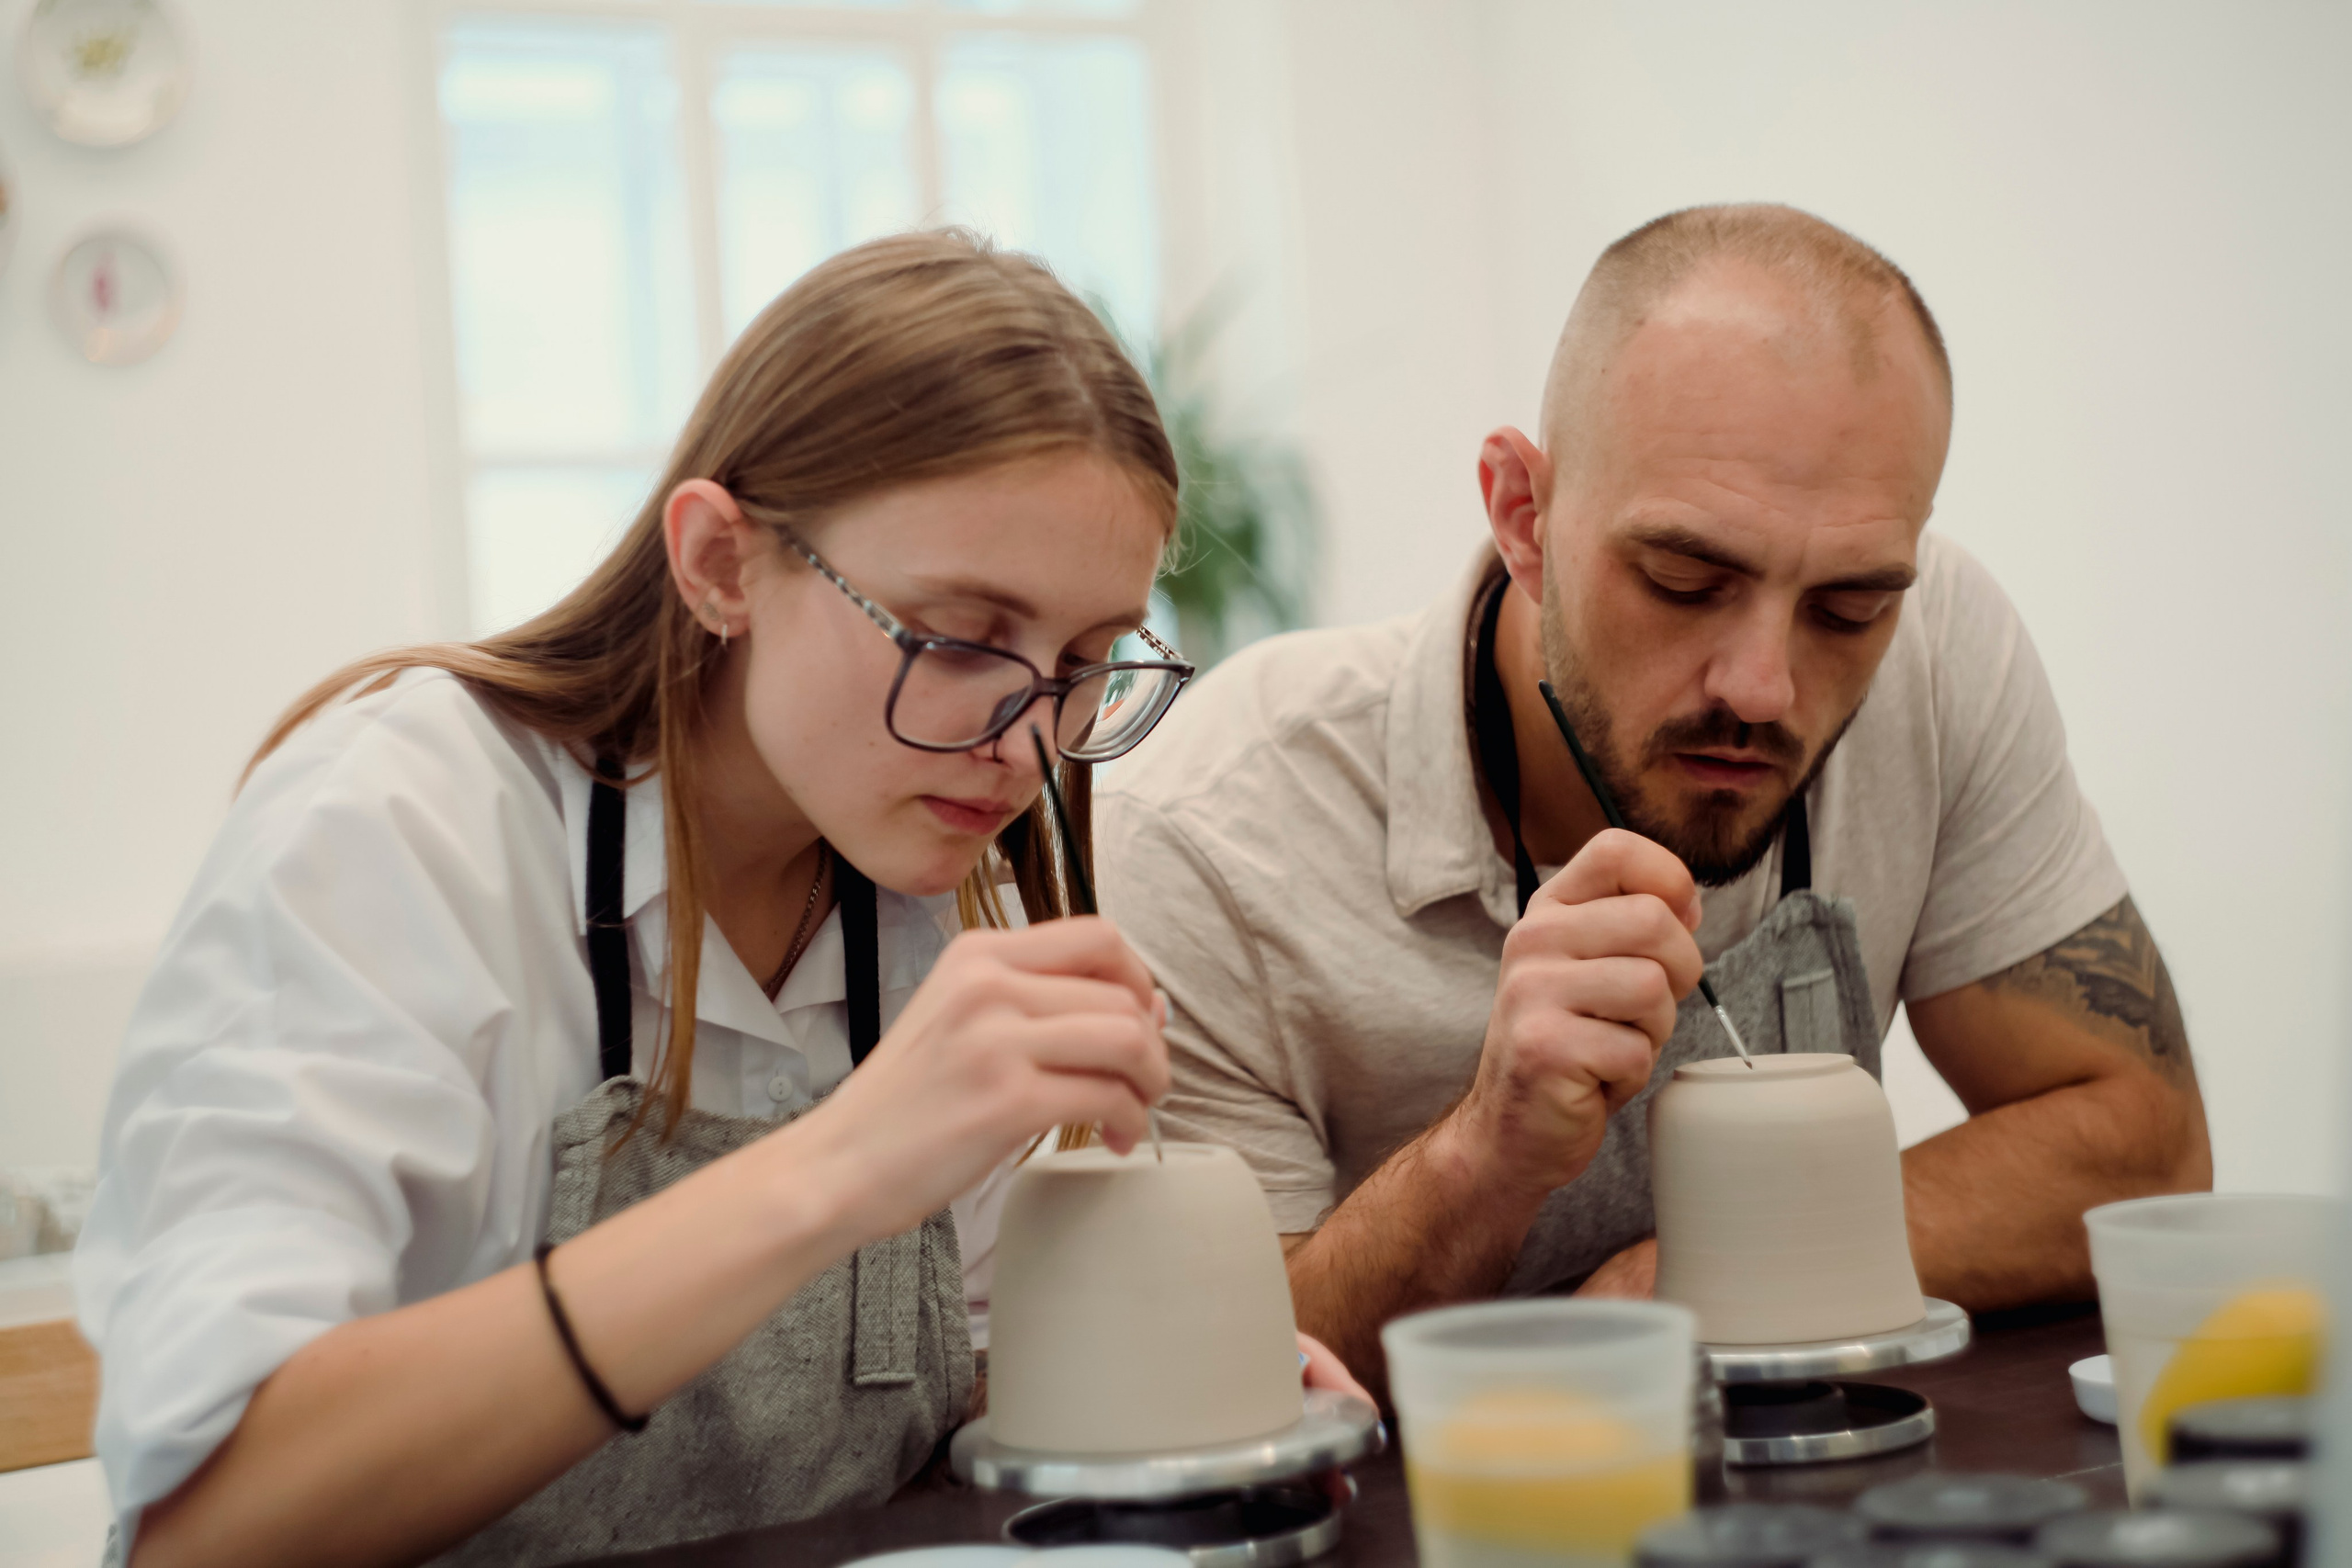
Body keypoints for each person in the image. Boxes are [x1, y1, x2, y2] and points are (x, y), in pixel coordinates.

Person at [78, 231, 1362, 1568]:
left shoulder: (933, 885)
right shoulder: (399, 828)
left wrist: (1150, 1386)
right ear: (719, 563)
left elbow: (937, 1410)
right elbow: (213, 1522)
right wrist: (840, 1164)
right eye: (964, 636)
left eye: (1089, 659)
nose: (1028, 738)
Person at [1095, 204, 2211, 1393]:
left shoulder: (1937, 653)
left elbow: (2147, 1149)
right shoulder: (1213, 825)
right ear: (1524, 517)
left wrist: (1678, 1281)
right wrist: (1482, 1156)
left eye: (1848, 610)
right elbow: (1203, 1385)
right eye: (1686, 581)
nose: (1766, 688)